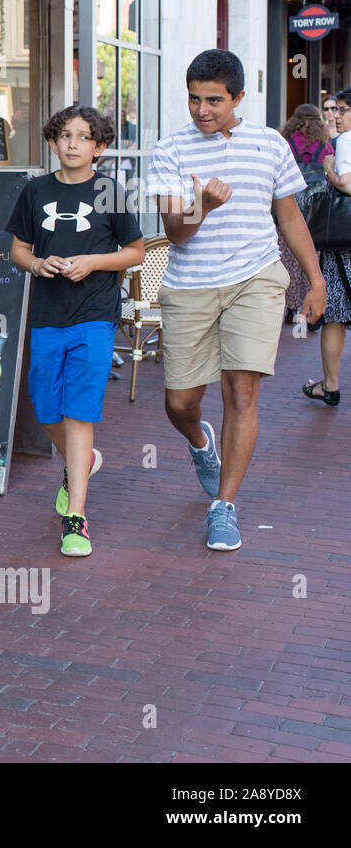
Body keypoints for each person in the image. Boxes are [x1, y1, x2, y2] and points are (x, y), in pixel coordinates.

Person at [148, 49, 325, 552]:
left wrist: (314, 279)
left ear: (239, 97)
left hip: (256, 277)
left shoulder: (269, 145)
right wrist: (201, 205)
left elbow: (289, 217)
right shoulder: (169, 150)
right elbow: (175, 235)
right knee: (179, 401)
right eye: (194, 99)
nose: (202, 110)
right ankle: (202, 444)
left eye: (214, 101)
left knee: (241, 392)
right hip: (191, 284)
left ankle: (223, 507)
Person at [6, 105, 145, 558]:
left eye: (83, 137)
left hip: (95, 315)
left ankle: (77, 518)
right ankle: (80, 463)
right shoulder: (35, 192)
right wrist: (36, 263)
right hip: (47, 316)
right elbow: (18, 250)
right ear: (52, 141)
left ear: (98, 147)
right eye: (64, 135)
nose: (72, 144)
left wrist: (93, 263)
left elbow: (136, 251)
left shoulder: (111, 192)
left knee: (78, 411)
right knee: (47, 409)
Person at [303, 86, 351, 406]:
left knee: (334, 313)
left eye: (342, 110)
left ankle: (330, 384)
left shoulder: (346, 141)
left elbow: (346, 183)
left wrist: (330, 167)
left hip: (343, 244)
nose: (335, 115)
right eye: (333, 109)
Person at [277, 103, 333, 321]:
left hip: (289, 207)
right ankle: (309, 305)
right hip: (315, 210)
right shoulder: (324, 144)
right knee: (312, 256)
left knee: (289, 256)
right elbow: (329, 172)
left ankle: (291, 307)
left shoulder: (286, 142)